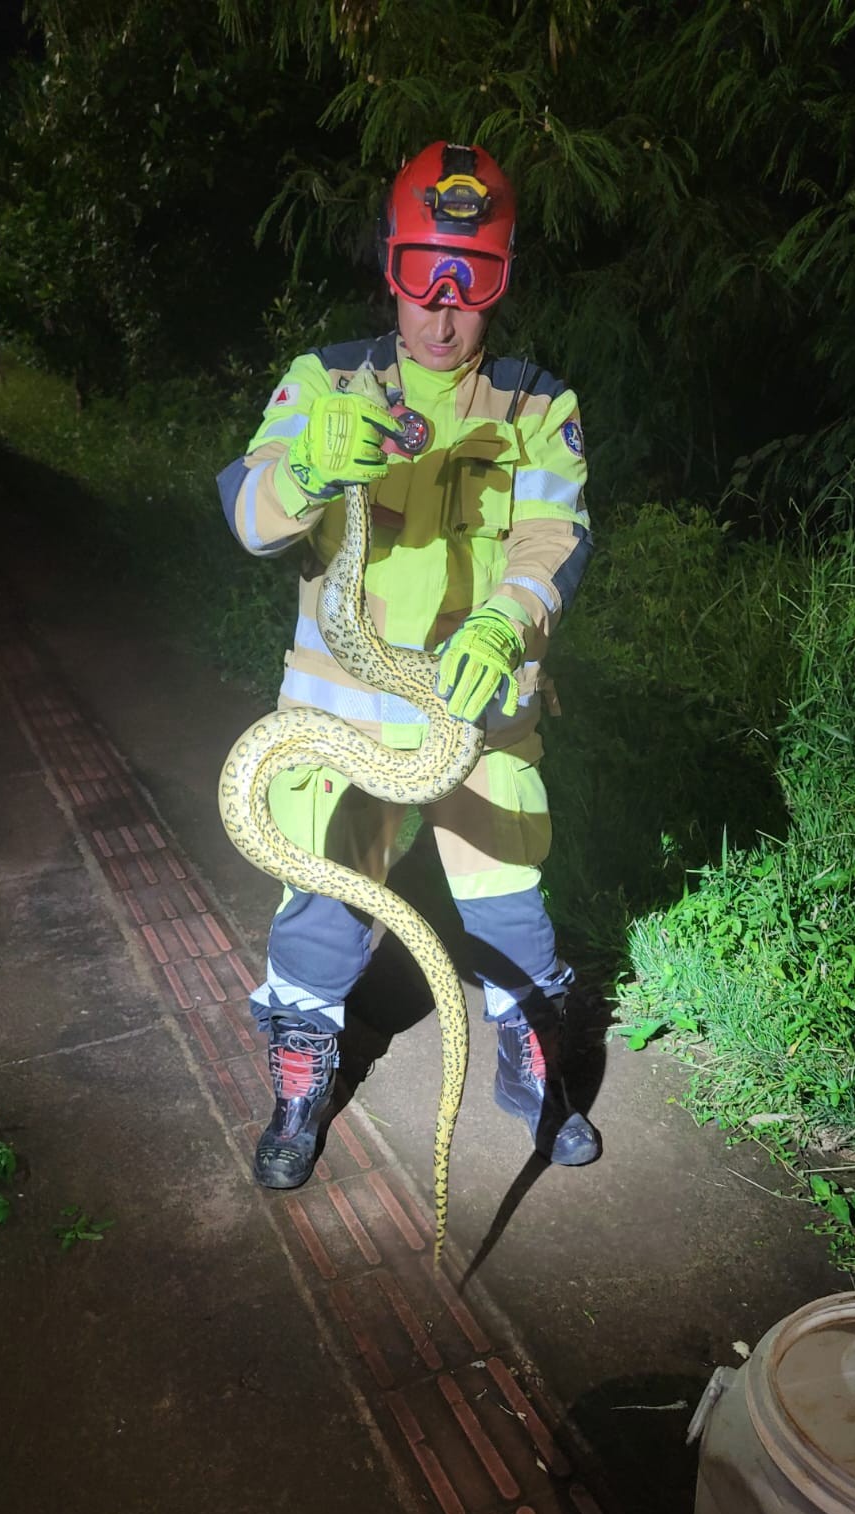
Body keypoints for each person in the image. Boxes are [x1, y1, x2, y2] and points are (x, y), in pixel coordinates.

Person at [216, 140, 599, 1192]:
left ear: (501, 282)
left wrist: (504, 623)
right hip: (342, 735)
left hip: (477, 722)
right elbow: (249, 515)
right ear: (391, 266)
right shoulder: (326, 381)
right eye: (425, 272)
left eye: (470, 280)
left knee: (511, 904)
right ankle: (302, 1075)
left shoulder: (536, 405)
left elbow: (553, 539)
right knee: (327, 907)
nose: (443, 307)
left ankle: (529, 1069)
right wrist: (301, 467)